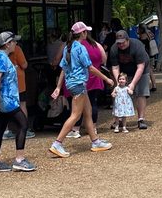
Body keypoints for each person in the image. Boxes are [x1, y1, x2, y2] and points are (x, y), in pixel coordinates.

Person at [49, 21, 115, 157]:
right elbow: (90, 67)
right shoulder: (80, 48)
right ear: (82, 33)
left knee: (88, 112)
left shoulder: (68, 48)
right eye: (86, 31)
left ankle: (95, 141)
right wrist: (106, 79)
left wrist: (58, 87)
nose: (87, 33)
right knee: (75, 115)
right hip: (79, 85)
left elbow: (63, 69)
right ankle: (57, 143)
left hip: (73, 84)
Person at [0, 32, 36, 173]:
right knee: (23, 124)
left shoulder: (0, 57)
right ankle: (20, 160)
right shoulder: (1, 57)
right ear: (7, 44)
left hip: (4, 100)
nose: (15, 43)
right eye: (13, 41)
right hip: (7, 100)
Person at [108, 29, 151, 129]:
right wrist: (119, 82)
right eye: (118, 43)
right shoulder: (114, 49)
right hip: (124, 71)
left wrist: (133, 84)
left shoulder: (137, 46)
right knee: (119, 93)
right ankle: (118, 120)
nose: (121, 45)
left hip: (141, 69)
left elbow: (140, 67)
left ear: (127, 40)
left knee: (140, 93)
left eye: (123, 42)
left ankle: (141, 119)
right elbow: (115, 68)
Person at [2, 37, 36, 142]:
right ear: (9, 42)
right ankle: (23, 128)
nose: (16, 42)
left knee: (6, 105)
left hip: (6, 83)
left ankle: (6, 130)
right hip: (18, 82)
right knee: (22, 104)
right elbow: (24, 65)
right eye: (14, 41)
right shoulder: (17, 49)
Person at [138, 24, 158, 90]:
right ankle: (154, 85)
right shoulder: (149, 34)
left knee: (143, 70)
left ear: (141, 29)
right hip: (150, 54)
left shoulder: (142, 36)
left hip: (144, 54)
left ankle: (144, 86)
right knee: (150, 70)